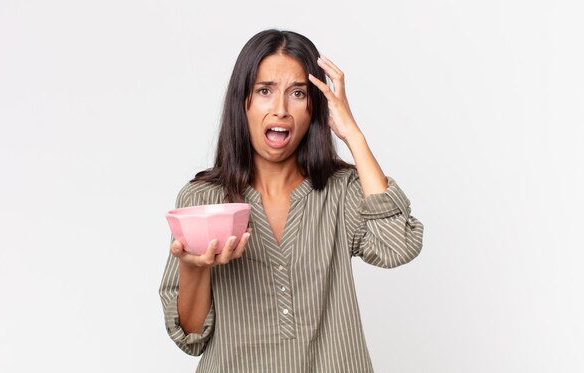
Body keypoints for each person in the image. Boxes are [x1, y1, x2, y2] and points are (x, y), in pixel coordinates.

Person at [159, 29, 424, 372]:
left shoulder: (341, 190)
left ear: (314, 107)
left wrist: (353, 135)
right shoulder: (204, 200)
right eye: (265, 91)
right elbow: (191, 336)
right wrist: (194, 267)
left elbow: (397, 245)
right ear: (243, 101)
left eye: (298, 93)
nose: (281, 109)